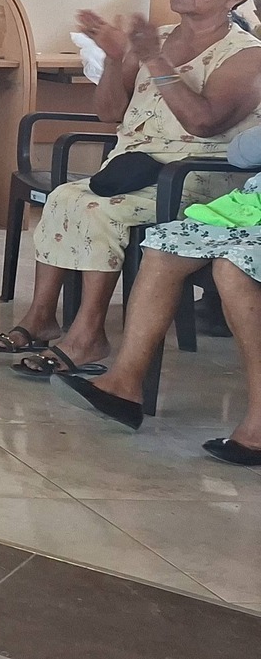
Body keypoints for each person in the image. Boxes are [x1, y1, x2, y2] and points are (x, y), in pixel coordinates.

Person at [0, 0, 261, 376]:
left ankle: (88, 335)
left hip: (197, 177)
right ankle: (41, 318)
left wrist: (155, 60)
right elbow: (110, 112)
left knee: (99, 211)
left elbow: (204, 122)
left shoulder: (246, 54)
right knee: (64, 197)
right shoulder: (156, 39)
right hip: (133, 169)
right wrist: (117, 58)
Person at [59, 126, 261, 464]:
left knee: (232, 267)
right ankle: (123, 384)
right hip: (250, 214)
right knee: (164, 247)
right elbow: (239, 154)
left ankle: (259, 423)